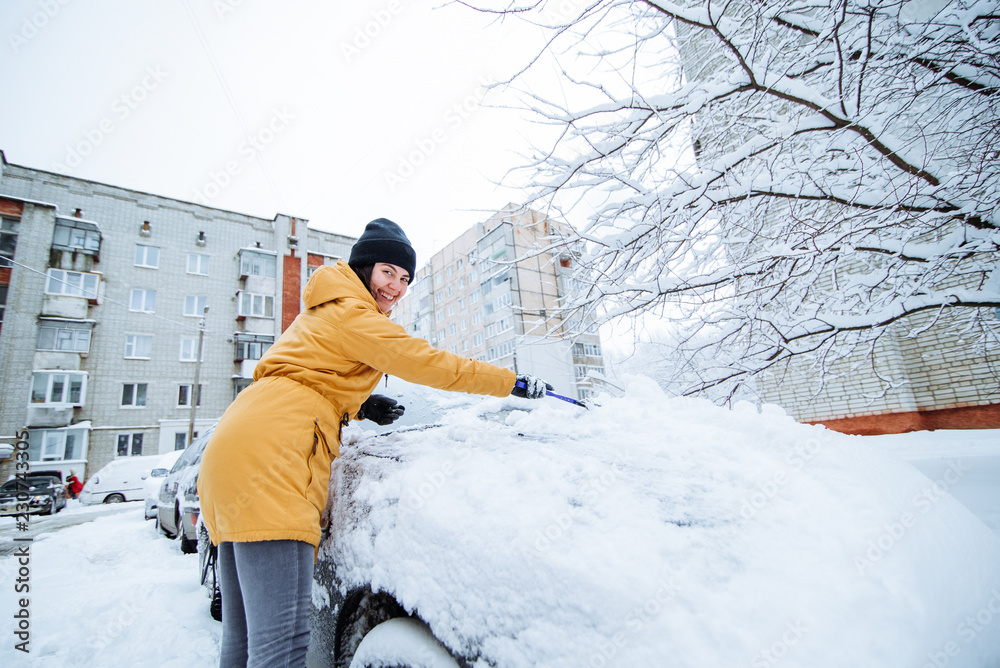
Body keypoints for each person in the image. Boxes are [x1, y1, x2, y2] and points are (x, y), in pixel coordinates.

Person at [197, 218, 550, 668]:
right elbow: (429, 363)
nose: (396, 286)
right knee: (282, 644)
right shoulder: (353, 312)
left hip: (236, 449)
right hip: (273, 459)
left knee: (245, 634)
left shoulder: (328, 308)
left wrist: (360, 406)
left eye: (405, 279)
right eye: (388, 272)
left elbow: (306, 371)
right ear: (365, 268)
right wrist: (510, 381)